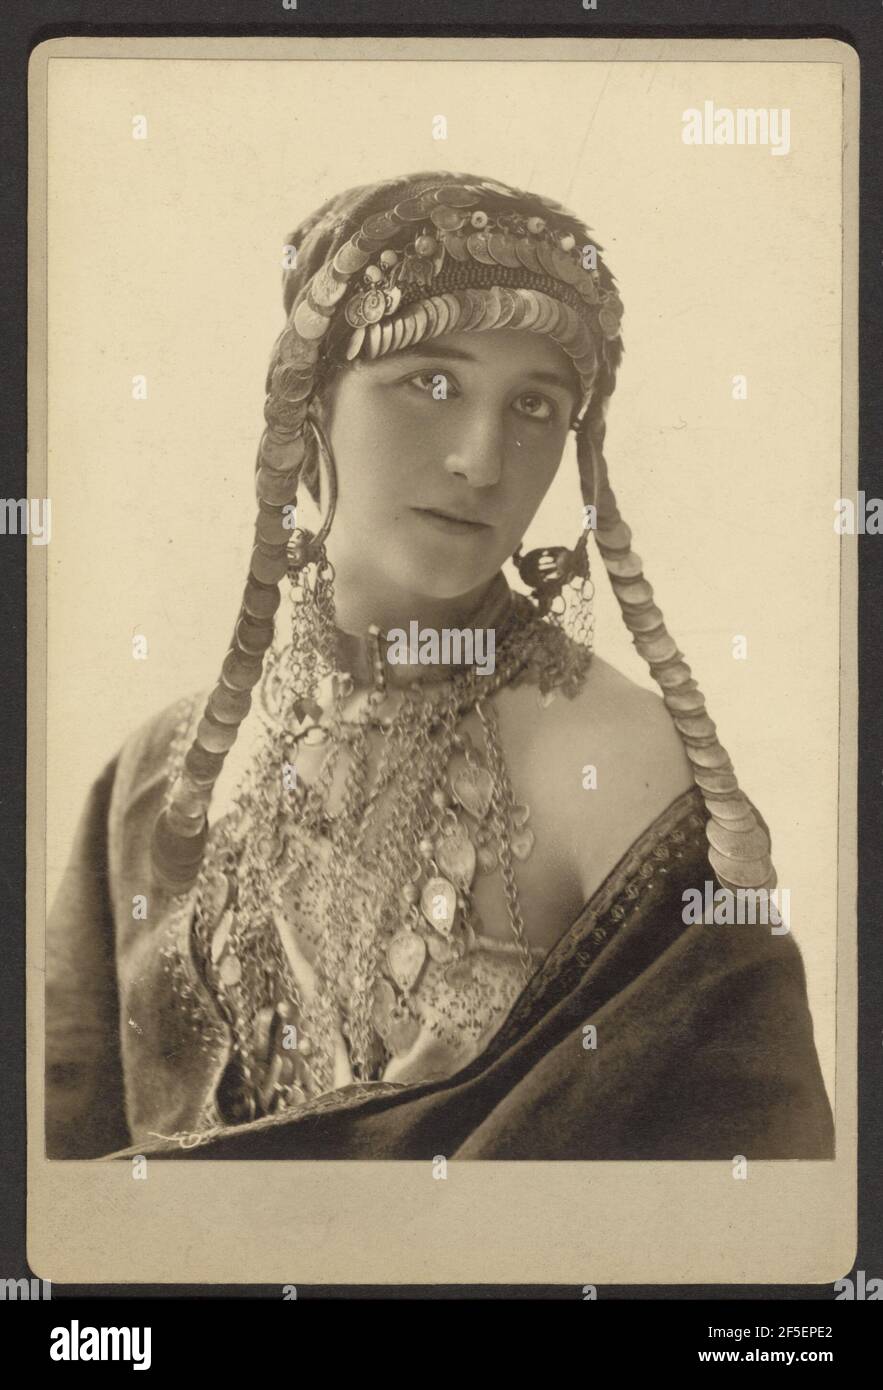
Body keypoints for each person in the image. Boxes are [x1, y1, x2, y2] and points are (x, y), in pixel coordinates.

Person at [44, 169, 834, 1161]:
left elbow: (750, 1195)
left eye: (535, 405)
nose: (481, 457)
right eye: (431, 381)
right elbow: (53, 1186)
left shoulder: (624, 770)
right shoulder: (155, 776)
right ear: (311, 406)